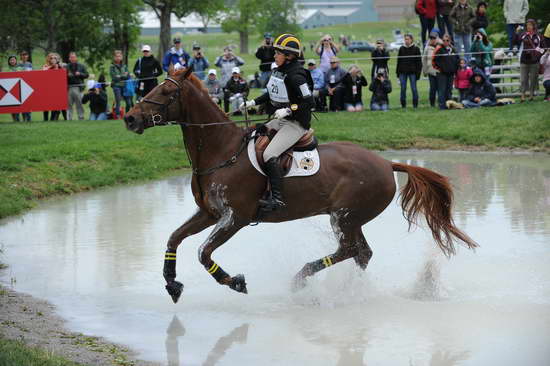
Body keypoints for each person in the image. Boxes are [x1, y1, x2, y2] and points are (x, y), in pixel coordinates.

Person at [240, 34, 314, 212]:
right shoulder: (279, 71)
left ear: (289, 56)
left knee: (269, 154)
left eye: (278, 53)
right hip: (281, 120)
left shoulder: (297, 76)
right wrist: (253, 102)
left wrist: (289, 109)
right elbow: (270, 93)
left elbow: (309, 102)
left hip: (295, 124)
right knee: (252, 134)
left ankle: (277, 199)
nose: (274, 56)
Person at [514, 19, 543, 102]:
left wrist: (538, 56)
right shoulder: (523, 35)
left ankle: (531, 95)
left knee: (533, 79)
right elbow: (515, 42)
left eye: (530, 25)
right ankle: (522, 96)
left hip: (534, 61)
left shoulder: (538, 35)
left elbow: (543, 47)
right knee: (523, 79)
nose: (528, 27)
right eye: (527, 25)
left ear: (534, 26)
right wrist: (516, 33)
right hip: (524, 60)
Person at [433, 34, 459, 109]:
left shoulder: (453, 49)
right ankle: (442, 106)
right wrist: (440, 69)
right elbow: (433, 60)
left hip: (451, 73)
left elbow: (457, 59)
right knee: (442, 90)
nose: (445, 42)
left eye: (447, 40)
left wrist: (455, 69)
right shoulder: (439, 48)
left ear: (450, 41)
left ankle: (450, 105)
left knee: (449, 90)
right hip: (442, 73)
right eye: (443, 40)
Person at [215, 46, 245, 113]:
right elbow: (216, 63)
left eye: (229, 51)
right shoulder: (221, 60)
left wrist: (234, 55)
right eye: (226, 51)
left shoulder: (235, 60)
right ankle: (226, 112)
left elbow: (242, 62)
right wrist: (221, 55)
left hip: (233, 82)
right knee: (226, 98)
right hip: (224, 82)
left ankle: (237, 111)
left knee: (235, 97)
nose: (228, 53)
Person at [396, 33, 422, 108]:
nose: (406, 41)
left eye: (407, 39)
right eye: (405, 39)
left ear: (411, 40)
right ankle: (403, 105)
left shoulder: (416, 49)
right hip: (402, 73)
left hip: (413, 73)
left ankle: (415, 105)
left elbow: (419, 63)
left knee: (414, 89)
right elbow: (399, 61)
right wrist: (398, 74)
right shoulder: (401, 49)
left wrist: (418, 74)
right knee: (403, 89)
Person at [42, 53, 66, 121]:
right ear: (49, 59)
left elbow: (64, 72)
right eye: (51, 58)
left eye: (55, 58)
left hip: (57, 89)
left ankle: (53, 119)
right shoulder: (46, 65)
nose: (53, 59)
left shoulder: (59, 66)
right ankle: (45, 119)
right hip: (47, 88)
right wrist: (52, 66)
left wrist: (58, 65)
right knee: (46, 105)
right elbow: (44, 71)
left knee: (55, 104)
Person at [65, 52, 89, 120]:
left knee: (79, 104)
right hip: (69, 87)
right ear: (69, 58)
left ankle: (81, 117)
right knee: (69, 104)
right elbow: (62, 77)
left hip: (79, 87)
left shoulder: (81, 66)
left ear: (76, 58)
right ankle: (69, 118)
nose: (73, 58)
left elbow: (87, 75)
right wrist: (67, 75)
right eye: (71, 57)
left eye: (74, 57)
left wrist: (80, 74)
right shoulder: (66, 67)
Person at [109, 50, 132, 118]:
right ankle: (118, 115)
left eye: (119, 56)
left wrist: (120, 76)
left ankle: (127, 115)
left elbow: (128, 76)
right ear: (114, 57)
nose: (118, 58)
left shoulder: (124, 66)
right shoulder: (112, 67)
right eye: (117, 56)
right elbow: (114, 77)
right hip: (116, 86)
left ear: (121, 57)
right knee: (118, 100)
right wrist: (123, 76)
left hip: (125, 86)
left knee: (128, 102)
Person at [422, 31, 441, 107]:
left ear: (437, 38)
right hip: (431, 71)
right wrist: (425, 71)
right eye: (431, 38)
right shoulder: (427, 48)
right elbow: (424, 60)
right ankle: (432, 104)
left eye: (434, 38)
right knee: (432, 88)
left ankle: (441, 103)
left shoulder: (441, 46)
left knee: (440, 88)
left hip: (440, 71)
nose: (432, 39)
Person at [17, 51, 33, 121]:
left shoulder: (29, 64)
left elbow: (32, 73)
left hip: (27, 86)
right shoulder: (18, 64)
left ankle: (28, 119)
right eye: (23, 55)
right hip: (19, 85)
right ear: (21, 56)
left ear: (27, 56)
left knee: (28, 103)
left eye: (25, 55)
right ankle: (21, 119)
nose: (24, 56)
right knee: (21, 103)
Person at [7, 56, 21, 121]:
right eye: (11, 60)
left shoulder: (20, 68)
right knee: (12, 106)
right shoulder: (6, 69)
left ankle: (20, 119)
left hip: (19, 88)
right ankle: (15, 120)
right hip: (9, 89)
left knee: (19, 106)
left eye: (13, 60)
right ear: (9, 61)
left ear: (16, 61)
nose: (12, 61)